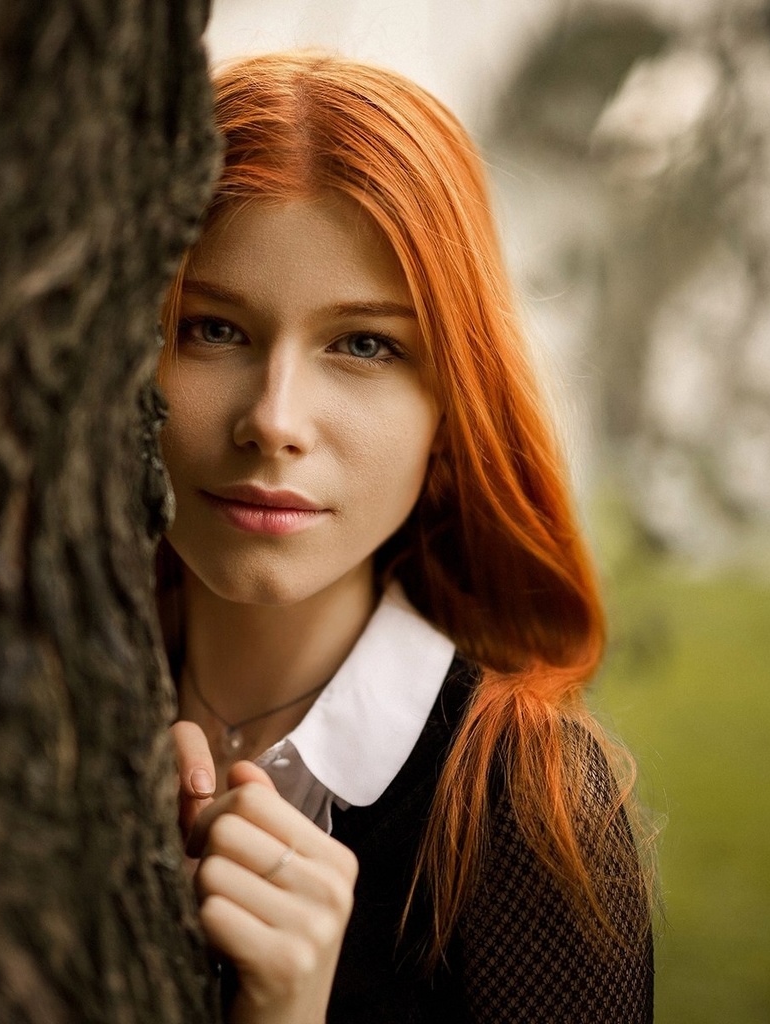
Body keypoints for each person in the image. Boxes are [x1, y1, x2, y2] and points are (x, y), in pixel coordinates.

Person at [158, 52, 654, 1023]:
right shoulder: (24, 703)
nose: (274, 418)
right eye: (212, 329)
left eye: (364, 345)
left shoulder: (530, 809)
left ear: (448, 405)